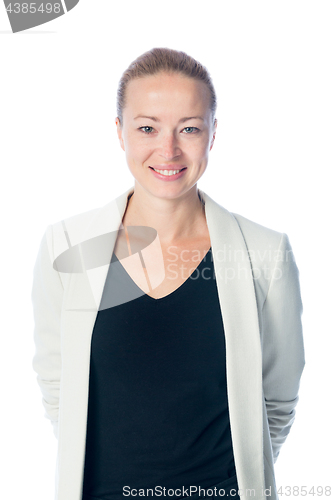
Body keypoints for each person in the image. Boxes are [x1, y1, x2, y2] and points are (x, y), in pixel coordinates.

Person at [31, 47, 305, 500]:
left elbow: (276, 404)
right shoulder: (67, 245)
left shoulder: (264, 253)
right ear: (120, 133)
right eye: (147, 128)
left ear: (213, 134)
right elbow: (59, 387)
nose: (169, 149)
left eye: (190, 128)